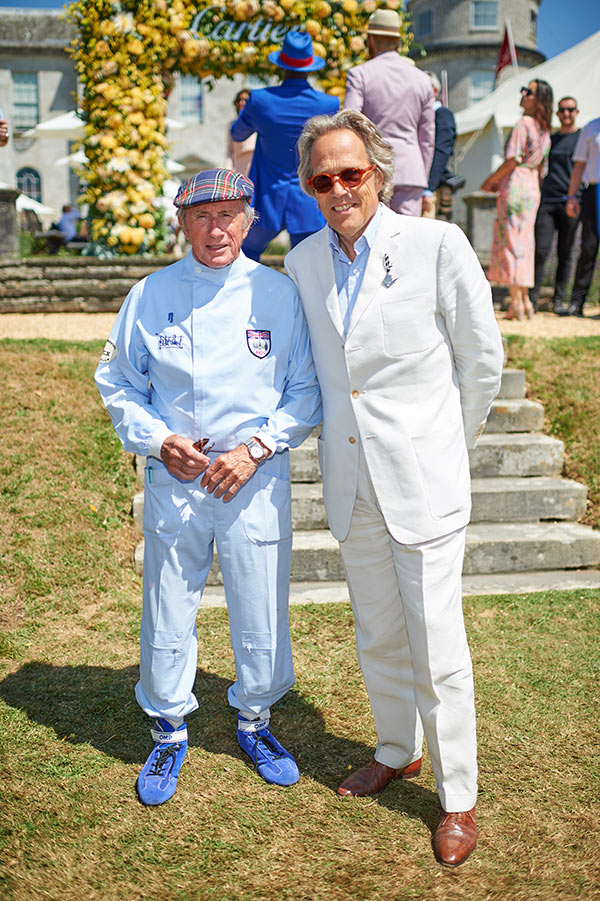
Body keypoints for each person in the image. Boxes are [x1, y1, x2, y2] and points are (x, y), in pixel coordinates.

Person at [285, 110, 503, 867]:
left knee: (438, 645)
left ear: (378, 171)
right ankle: (395, 747)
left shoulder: (437, 244)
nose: (339, 188)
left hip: (425, 483)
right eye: (323, 178)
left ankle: (458, 797)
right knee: (377, 632)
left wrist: (446, 444)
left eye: (351, 173)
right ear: (310, 188)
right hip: (352, 483)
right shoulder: (303, 261)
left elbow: (482, 361)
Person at [95, 169, 322, 806]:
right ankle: (168, 726)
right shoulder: (151, 293)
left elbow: (304, 390)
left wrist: (255, 449)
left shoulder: (277, 296)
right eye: (201, 216)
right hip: (178, 477)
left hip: (253, 477)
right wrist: (156, 438)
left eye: (228, 215)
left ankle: (255, 720)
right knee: (168, 599)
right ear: (182, 222)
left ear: (250, 221)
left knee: (261, 600)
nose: (215, 229)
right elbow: (118, 382)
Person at [230, 31, 339, 261]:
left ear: (281, 65)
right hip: (309, 201)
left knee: (243, 258)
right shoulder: (329, 104)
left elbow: (237, 134)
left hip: (267, 199)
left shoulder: (260, 100)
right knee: (310, 270)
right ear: (310, 68)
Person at [343, 9, 434, 216]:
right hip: (410, 169)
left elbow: (349, 123)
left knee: (372, 237)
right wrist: (422, 174)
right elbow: (427, 137)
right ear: (398, 42)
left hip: (371, 168)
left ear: (371, 40)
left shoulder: (360, 74)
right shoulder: (422, 79)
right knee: (408, 238)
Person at [481, 79, 553, 320]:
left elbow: (512, 159)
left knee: (512, 240)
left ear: (537, 98)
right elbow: (542, 168)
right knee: (525, 242)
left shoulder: (523, 124)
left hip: (517, 182)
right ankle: (524, 300)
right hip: (532, 185)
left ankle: (516, 303)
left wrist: (491, 180)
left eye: (528, 91)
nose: (523, 94)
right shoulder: (545, 129)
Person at [530, 97, 581, 313]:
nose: (566, 113)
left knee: (566, 253)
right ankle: (532, 299)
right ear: (558, 113)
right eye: (562, 110)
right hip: (548, 201)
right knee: (540, 251)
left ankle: (559, 300)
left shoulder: (581, 138)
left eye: (570, 109)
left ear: (576, 112)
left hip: (571, 202)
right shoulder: (550, 138)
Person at [561, 115, 600, 317]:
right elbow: (579, 166)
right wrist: (571, 196)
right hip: (594, 192)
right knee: (588, 246)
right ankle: (577, 302)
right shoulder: (591, 128)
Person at [421, 71, 457, 221]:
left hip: (429, 189)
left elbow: (442, 151)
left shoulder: (442, 114)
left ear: (435, 91)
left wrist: (429, 188)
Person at [225, 88, 256, 177]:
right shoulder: (232, 125)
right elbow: (229, 151)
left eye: (245, 100)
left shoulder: (257, 123)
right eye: (240, 100)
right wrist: (228, 172)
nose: (242, 102)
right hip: (239, 168)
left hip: (254, 165)